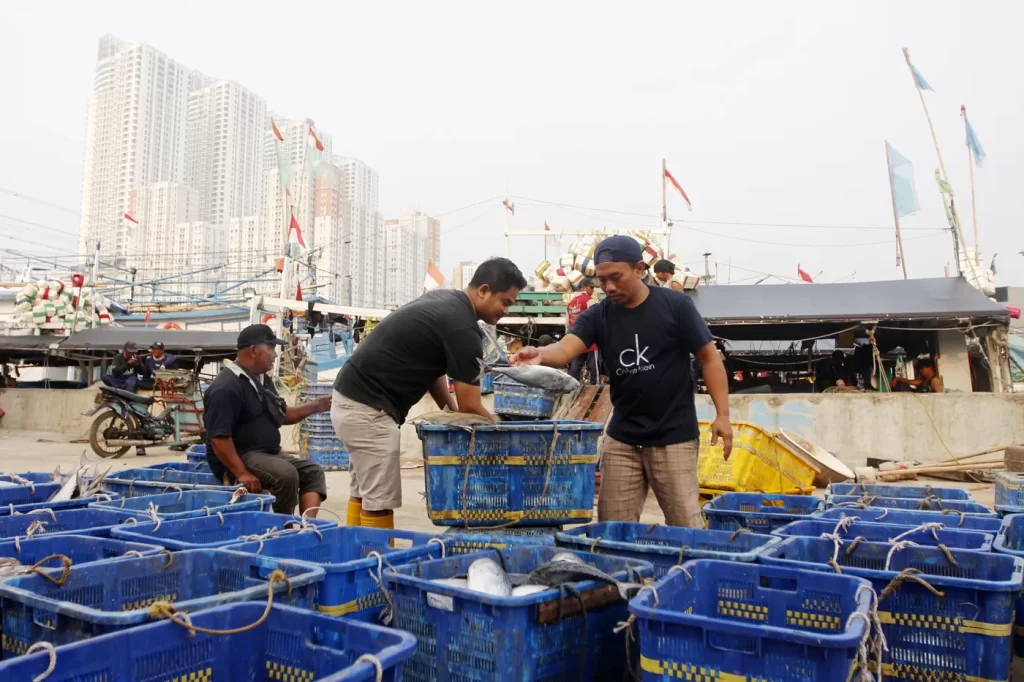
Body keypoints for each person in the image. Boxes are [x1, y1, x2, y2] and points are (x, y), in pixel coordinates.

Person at [509, 235, 732, 528]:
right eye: (603, 281)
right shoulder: (598, 315)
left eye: (617, 277)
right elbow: (567, 348)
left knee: (687, 526)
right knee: (612, 529)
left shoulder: (675, 306)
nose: (609, 287)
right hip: (623, 439)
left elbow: (709, 358)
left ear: (640, 269)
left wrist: (723, 415)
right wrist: (539, 353)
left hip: (674, 438)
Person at [331, 257, 526, 530]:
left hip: (351, 401)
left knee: (363, 492)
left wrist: (449, 413)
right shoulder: (463, 329)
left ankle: (353, 555)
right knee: (379, 501)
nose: (506, 310)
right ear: (483, 290)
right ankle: (375, 566)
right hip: (369, 412)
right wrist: (504, 431)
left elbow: (433, 370)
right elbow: (471, 406)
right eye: (505, 301)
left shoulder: (446, 302)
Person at [203, 324, 331, 516]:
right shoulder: (226, 388)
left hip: (267, 453)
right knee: (286, 474)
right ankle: (284, 528)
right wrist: (241, 473)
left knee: (313, 472)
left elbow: (281, 415)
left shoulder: (262, 380)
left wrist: (314, 406)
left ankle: (306, 527)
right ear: (254, 350)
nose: (275, 355)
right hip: (243, 454)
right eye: (271, 348)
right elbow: (219, 439)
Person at [567, 279, 600, 384]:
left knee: (575, 367)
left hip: (575, 340)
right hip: (590, 341)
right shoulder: (589, 301)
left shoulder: (570, 304)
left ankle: (573, 390)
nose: (592, 290)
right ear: (584, 287)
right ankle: (596, 390)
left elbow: (567, 323)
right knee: (594, 368)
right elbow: (596, 319)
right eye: (591, 287)